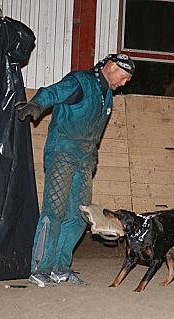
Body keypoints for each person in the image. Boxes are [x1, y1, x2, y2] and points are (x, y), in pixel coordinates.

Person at [18, 54, 135, 287]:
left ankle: (60, 268)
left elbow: (95, 131)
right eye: (124, 78)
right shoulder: (80, 81)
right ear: (112, 67)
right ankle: (40, 268)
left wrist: (93, 155)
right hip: (62, 151)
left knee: (80, 215)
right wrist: (36, 104)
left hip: (84, 158)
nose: (124, 83)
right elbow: (53, 91)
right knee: (55, 211)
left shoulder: (108, 95)